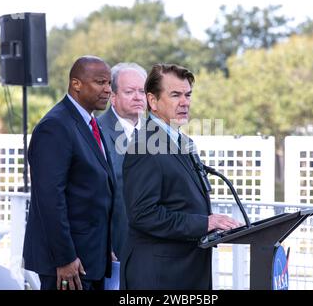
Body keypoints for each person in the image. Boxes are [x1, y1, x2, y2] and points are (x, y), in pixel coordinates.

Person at [121, 63, 242, 290]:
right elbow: (143, 214)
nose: (185, 102)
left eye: (188, 95)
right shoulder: (145, 146)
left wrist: (210, 223)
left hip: (186, 272)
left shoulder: (183, 141)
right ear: (153, 101)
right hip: (159, 276)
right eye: (175, 95)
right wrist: (204, 223)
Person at [22, 56, 115, 290]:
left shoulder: (89, 123)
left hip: (91, 258)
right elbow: (50, 199)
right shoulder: (55, 126)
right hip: (67, 265)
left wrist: (104, 248)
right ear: (76, 84)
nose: (107, 90)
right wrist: (64, 258)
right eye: (100, 82)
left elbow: (93, 190)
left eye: (109, 83)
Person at [98, 62, 147, 261]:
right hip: (113, 249)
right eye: (129, 91)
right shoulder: (96, 131)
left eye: (142, 91)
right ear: (113, 97)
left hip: (151, 249)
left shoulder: (157, 133)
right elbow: (92, 197)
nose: (138, 97)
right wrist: (102, 246)